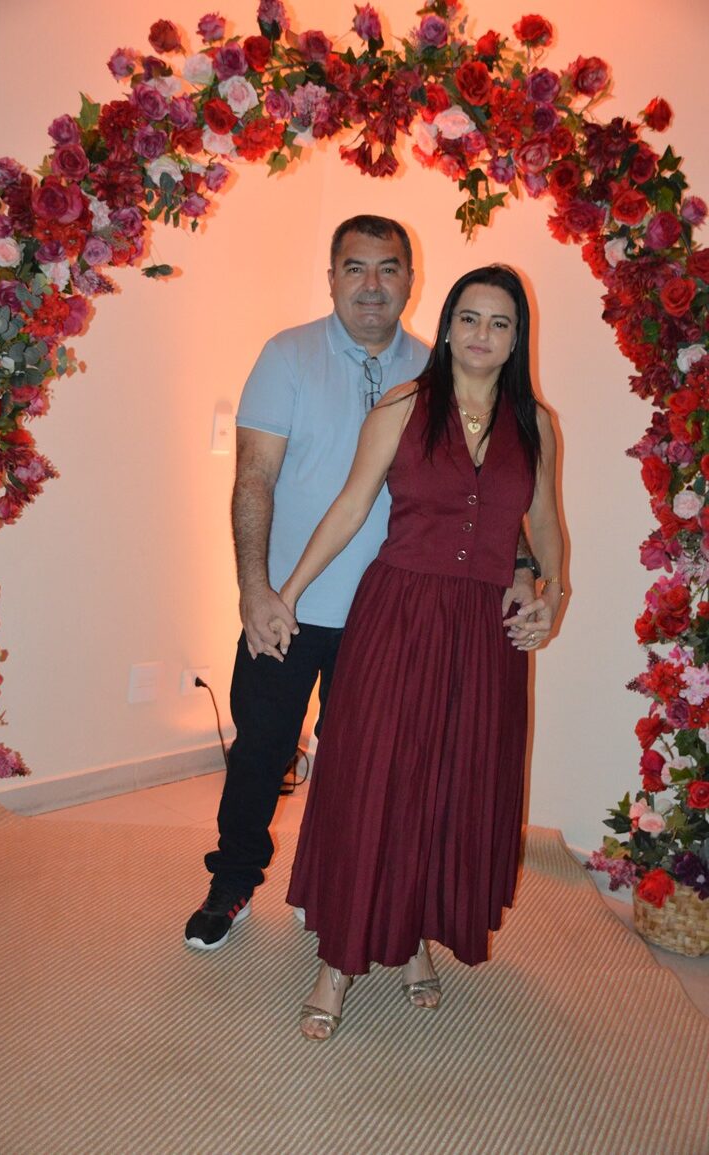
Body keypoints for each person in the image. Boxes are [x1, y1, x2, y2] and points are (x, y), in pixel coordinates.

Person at [184, 222, 544, 952]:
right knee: (261, 749)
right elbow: (254, 480)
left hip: (395, 618)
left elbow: (492, 489)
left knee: (369, 769)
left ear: (412, 280)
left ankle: (339, 891)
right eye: (355, 268)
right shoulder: (288, 355)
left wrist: (526, 569)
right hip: (291, 608)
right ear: (331, 277)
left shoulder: (446, 363)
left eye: (388, 269)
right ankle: (233, 880)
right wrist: (257, 591)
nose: (372, 285)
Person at [277, 264, 565, 1040]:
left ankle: (413, 940)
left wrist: (549, 593)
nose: (482, 334)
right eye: (469, 318)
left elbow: (544, 526)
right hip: (399, 615)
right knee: (373, 778)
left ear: (517, 338)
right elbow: (349, 507)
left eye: (499, 322)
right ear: (446, 327)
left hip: (485, 633)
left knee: (453, 784)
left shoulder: (534, 424)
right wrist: (287, 592)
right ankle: (336, 961)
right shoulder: (403, 408)